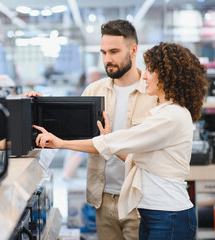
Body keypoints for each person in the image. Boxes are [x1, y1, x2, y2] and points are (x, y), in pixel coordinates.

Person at [33, 42, 209, 239]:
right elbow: (135, 160)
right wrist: (40, 105)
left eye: (151, 70)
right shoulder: (164, 112)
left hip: (169, 217)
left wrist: (61, 143)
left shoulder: (171, 116)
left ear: (169, 75)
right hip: (154, 214)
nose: (144, 76)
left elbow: (116, 142)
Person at [24, 20, 158, 240]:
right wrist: (38, 107)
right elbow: (66, 126)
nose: (108, 59)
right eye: (104, 52)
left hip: (140, 200)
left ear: (133, 50)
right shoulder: (94, 91)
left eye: (114, 52)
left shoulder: (153, 93)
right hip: (102, 200)